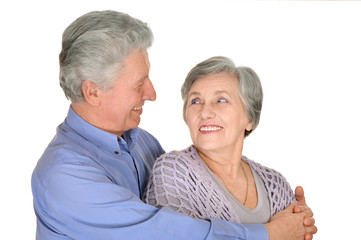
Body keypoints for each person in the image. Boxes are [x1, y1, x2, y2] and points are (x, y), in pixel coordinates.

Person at [31, 10, 316, 240]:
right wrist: (269, 233)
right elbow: (165, 232)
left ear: (250, 118)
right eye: (139, 83)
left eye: (221, 100)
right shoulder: (64, 176)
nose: (152, 94)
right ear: (93, 92)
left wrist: (296, 220)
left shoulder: (142, 143)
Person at [143, 56, 317, 239]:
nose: (205, 112)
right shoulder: (173, 171)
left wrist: (301, 225)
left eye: (221, 100)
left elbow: (295, 233)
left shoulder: (276, 184)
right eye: (195, 101)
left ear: (249, 117)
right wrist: (275, 232)